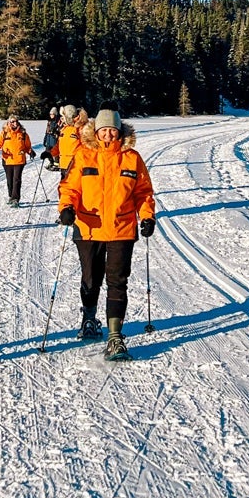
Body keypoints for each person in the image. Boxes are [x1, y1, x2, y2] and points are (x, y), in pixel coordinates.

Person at [57, 109, 157, 360]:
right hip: (88, 228)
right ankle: (89, 319)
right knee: (91, 279)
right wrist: (66, 207)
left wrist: (146, 216)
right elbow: (69, 187)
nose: (108, 134)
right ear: (97, 131)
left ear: (120, 131)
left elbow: (143, 193)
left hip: (122, 229)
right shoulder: (83, 155)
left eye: (113, 129)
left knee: (117, 281)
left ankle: (115, 337)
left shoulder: (132, 158)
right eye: (104, 130)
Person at [0, 116, 35, 206]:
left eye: (15, 121)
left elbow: (27, 146)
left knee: (16, 179)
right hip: (7, 159)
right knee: (9, 179)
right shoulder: (4, 132)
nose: (14, 123)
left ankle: (15, 198)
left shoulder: (22, 133)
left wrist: (30, 152)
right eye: (12, 121)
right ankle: (11, 196)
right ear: (8, 122)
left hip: (19, 159)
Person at [55, 105, 86, 187]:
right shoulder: (64, 129)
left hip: (75, 166)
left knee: (73, 189)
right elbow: (59, 145)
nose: (62, 119)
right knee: (63, 189)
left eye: (63, 116)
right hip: (63, 164)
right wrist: (50, 153)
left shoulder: (80, 129)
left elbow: (87, 147)